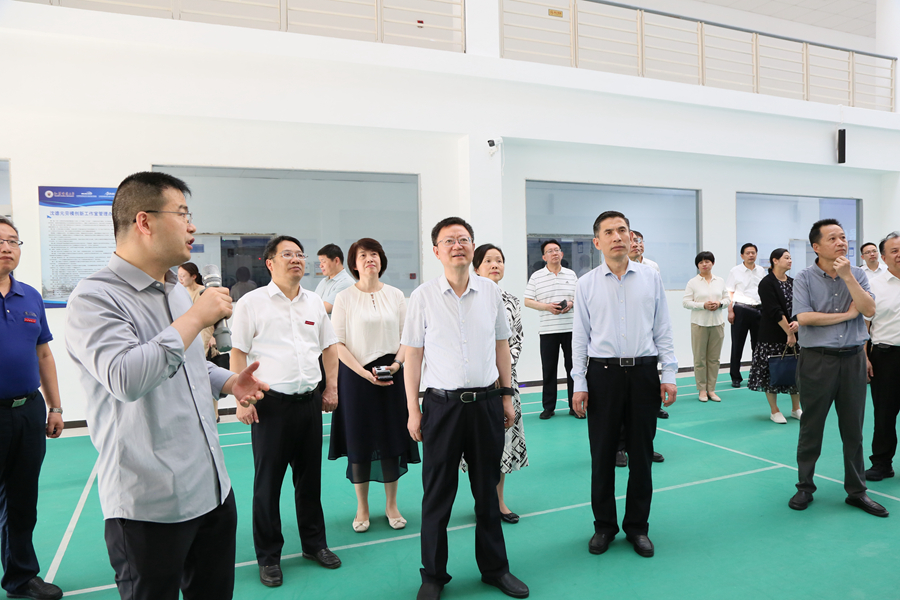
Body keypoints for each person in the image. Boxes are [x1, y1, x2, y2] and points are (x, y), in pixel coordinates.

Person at [66, 172, 269, 600]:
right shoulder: (95, 298)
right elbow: (126, 377)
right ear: (144, 221)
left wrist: (229, 381)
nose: (192, 226)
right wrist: (196, 317)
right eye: (182, 214)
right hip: (150, 505)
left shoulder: (176, 291)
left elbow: (187, 364)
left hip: (211, 489)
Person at [402, 217, 528, 600]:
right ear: (436, 251)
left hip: (486, 405)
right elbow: (413, 356)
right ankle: (433, 576)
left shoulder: (490, 292)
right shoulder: (422, 296)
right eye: (449, 241)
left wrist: (506, 396)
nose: (458, 245)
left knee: (487, 493)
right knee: (437, 495)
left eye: (464, 239)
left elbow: (502, 345)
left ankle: (495, 569)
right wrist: (413, 409)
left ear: (472, 247)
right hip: (442, 408)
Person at [231, 235, 343, 588]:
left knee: (309, 482)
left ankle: (314, 544)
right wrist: (242, 400)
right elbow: (238, 353)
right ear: (270, 263)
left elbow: (329, 348)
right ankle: (268, 557)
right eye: (288, 254)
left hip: (309, 403)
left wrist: (331, 387)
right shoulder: (251, 304)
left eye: (300, 254)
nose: (296, 259)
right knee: (267, 486)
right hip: (270, 406)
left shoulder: (314, 303)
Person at [572, 211, 677, 560]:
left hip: (644, 374)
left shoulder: (651, 278)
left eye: (623, 230)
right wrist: (579, 382)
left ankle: (637, 528)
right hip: (603, 376)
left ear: (631, 237)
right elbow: (580, 338)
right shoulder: (586, 284)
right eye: (609, 232)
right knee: (602, 456)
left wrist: (669, 374)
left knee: (641, 456)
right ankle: (604, 526)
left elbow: (663, 328)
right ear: (597, 242)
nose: (617, 237)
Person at [788, 218, 886, 517]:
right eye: (832, 238)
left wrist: (848, 277)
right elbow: (804, 317)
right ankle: (805, 487)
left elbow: (869, 310)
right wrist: (846, 316)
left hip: (853, 359)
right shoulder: (804, 278)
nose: (841, 242)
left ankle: (857, 491)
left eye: (843, 237)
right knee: (811, 426)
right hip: (817, 360)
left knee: (853, 430)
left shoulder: (857, 274)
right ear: (816, 247)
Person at [328, 237, 420, 533]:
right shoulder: (344, 297)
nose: (370, 259)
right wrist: (363, 373)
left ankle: (392, 505)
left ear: (381, 260)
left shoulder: (396, 295)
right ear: (354, 264)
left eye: (374, 254)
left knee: (392, 439)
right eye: (363, 255)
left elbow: (408, 337)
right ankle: (362, 507)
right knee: (361, 441)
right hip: (356, 379)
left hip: (391, 375)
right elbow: (337, 343)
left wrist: (396, 364)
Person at [0, 216, 64, 600]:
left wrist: (56, 407)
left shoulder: (30, 297)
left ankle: (21, 577)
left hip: (28, 411)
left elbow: (44, 354)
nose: (6, 247)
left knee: (22, 500)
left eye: (13, 241)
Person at [462, 243, 528, 524]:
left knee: (502, 443)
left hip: (505, 383)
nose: (494, 265)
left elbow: (516, 340)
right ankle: (482, 501)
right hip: (475, 385)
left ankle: (498, 502)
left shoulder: (511, 300)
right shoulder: (467, 298)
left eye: (499, 260)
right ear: (476, 267)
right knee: (477, 447)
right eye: (488, 260)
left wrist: (502, 373)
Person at [523, 239, 577, 420]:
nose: (554, 253)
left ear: (562, 254)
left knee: (573, 369)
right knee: (549, 370)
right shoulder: (536, 277)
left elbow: (580, 297)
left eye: (557, 250)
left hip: (571, 329)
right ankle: (548, 407)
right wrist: (547, 307)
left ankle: (574, 406)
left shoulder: (571, 275)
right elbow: (527, 301)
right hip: (548, 331)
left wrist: (571, 303)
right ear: (544, 257)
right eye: (550, 251)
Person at [748, 249, 801, 424]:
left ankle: (796, 408)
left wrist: (797, 324)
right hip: (772, 335)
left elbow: (800, 306)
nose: (790, 260)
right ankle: (774, 410)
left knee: (795, 371)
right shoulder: (766, 283)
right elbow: (774, 310)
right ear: (775, 261)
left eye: (790, 258)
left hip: (794, 332)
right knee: (770, 373)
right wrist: (789, 333)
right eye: (786, 258)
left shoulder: (793, 282)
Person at [864, 232, 900, 481]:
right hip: (886, 357)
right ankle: (882, 463)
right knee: (884, 414)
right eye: (894, 250)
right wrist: (864, 358)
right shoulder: (873, 286)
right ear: (884, 257)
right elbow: (864, 326)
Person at [682, 251, 728, 402]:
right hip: (699, 324)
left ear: (712, 263)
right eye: (701, 262)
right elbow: (686, 302)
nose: (704, 264)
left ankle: (711, 389)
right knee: (700, 359)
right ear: (697, 265)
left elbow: (727, 299)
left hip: (717, 323)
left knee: (714, 359)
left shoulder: (720, 281)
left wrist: (719, 303)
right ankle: (702, 390)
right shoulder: (692, 282)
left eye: (707, 261)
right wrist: (703, 305)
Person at [726, 243, 766, 388]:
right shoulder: (735, 271)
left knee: (758, 345)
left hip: (759, 309)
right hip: (741, 309)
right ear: (742, 255)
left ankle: (758, 375)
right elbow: (729, 292)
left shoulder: (761, 270)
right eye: (748, 253)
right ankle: (735, 377)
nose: (751, 255)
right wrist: (730, 310)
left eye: (753, 253)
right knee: (737, 344)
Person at [315, 243, 354, 315]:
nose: (320, 265)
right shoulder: (323, 281)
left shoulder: (346, 283)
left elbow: (324, 309)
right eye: (320, 262)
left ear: (336, 261)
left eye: (323, 261)